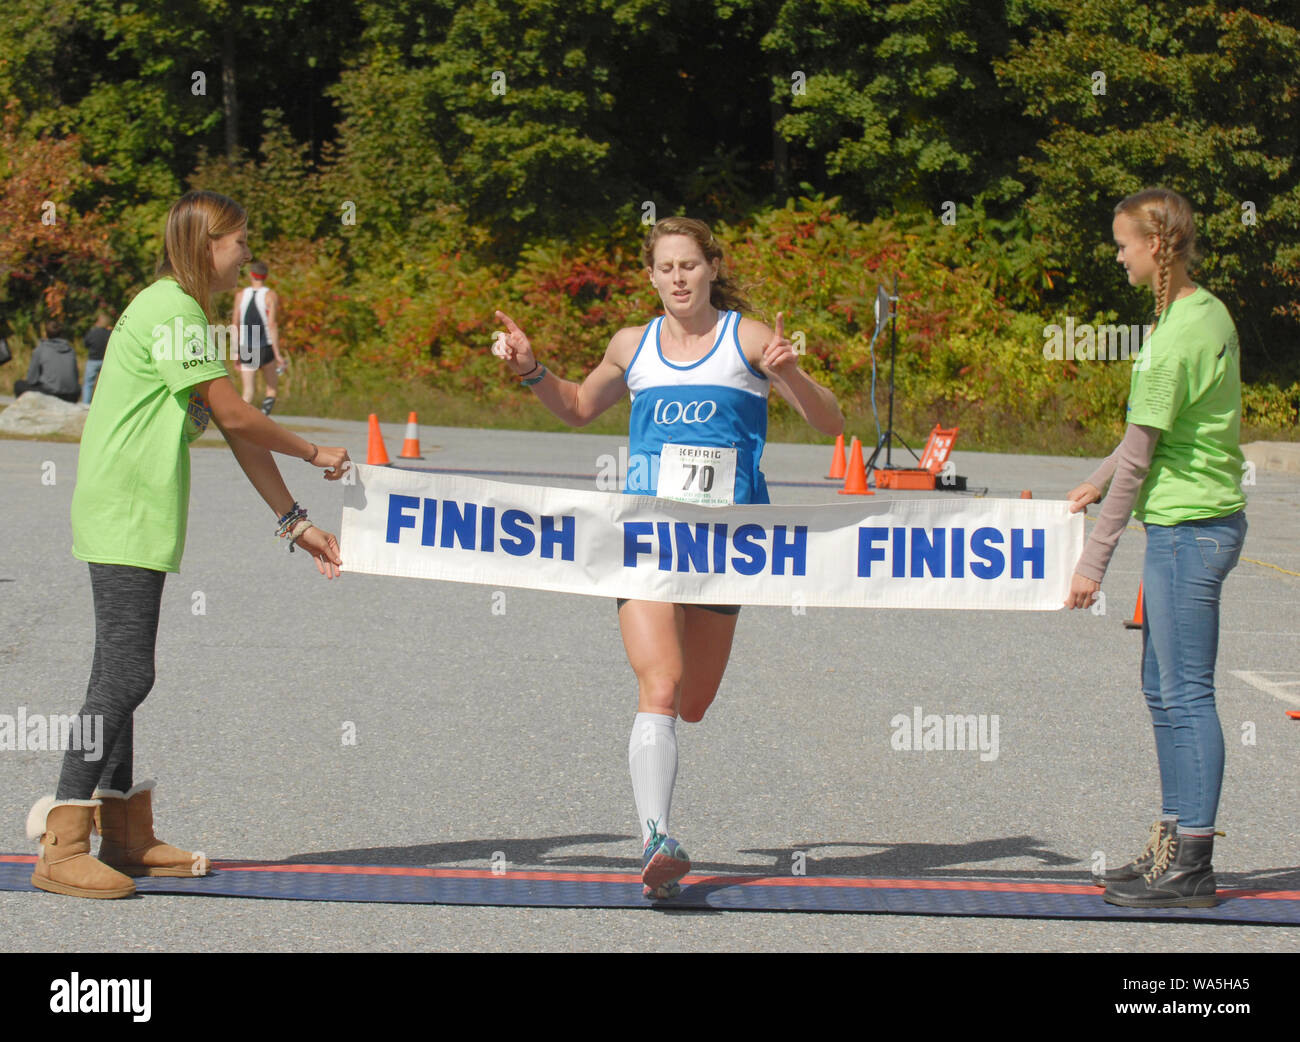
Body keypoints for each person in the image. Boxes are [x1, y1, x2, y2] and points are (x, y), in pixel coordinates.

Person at [491, 217, 843, 898]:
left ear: (712, 267)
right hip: (649, 538)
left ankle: (662, 796)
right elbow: (575, 407)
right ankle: (656, 843)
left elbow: (830, 424)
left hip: (726, 545)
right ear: (650, 277)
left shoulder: (747, 337)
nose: (678, 278)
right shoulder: (633, 343)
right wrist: (532, 368)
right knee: (659, 682)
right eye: (666, 268)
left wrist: (792, 375)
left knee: (694, 701)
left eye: (690, 265)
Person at [25, 190, 351, 900]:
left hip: (138, 512)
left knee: (120, 671)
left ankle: (127, 836)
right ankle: (61, 840)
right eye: (239, 242)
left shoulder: (184, 314)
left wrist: (296, 523)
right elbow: (237, 410)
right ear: (208, 245)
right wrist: (313, 449)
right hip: (125, 511)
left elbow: (231, 427)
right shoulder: (172, 310)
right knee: (124, 676)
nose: (245, 255)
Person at [1064, 187, 1247, 909]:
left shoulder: (1174, 339)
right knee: (1162, 691)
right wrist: (1093, 479)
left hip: (1189, 531)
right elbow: (1144, 438)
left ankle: (1193, 866)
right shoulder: (1199, 311)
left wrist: (1091, 563)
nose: (1118, 255)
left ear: (1157, 246)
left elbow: (1141, 461)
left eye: (1123, 244)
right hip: (1192, 526)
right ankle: (1172, 845)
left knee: (1186, 695)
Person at [233, 260, 287, 415]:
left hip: (246, 346)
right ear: (266, 276)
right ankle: (264, 417)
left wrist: (235, 351)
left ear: (251, 275)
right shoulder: (270, 295)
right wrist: (277, 354)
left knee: (248, 392)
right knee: (271, 389)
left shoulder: (241, 295)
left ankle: (240, 422)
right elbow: (272, 325)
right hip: (264, 346)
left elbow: (235, 323)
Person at [14, 319, 80, 402]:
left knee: (18, 385)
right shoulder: (71, 350)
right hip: (72, 395)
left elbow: (31, 380)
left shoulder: (41, 349)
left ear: (45, 334)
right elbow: (75, 375)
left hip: (52, 394)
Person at [82, 310, 113, 403]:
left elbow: (85, 344)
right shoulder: (110, 333)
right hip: (106, 361)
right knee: (105, 385)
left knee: (88, 384)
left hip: (93, 361)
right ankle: (104, 403)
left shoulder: (93, 332)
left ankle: (85, 404)